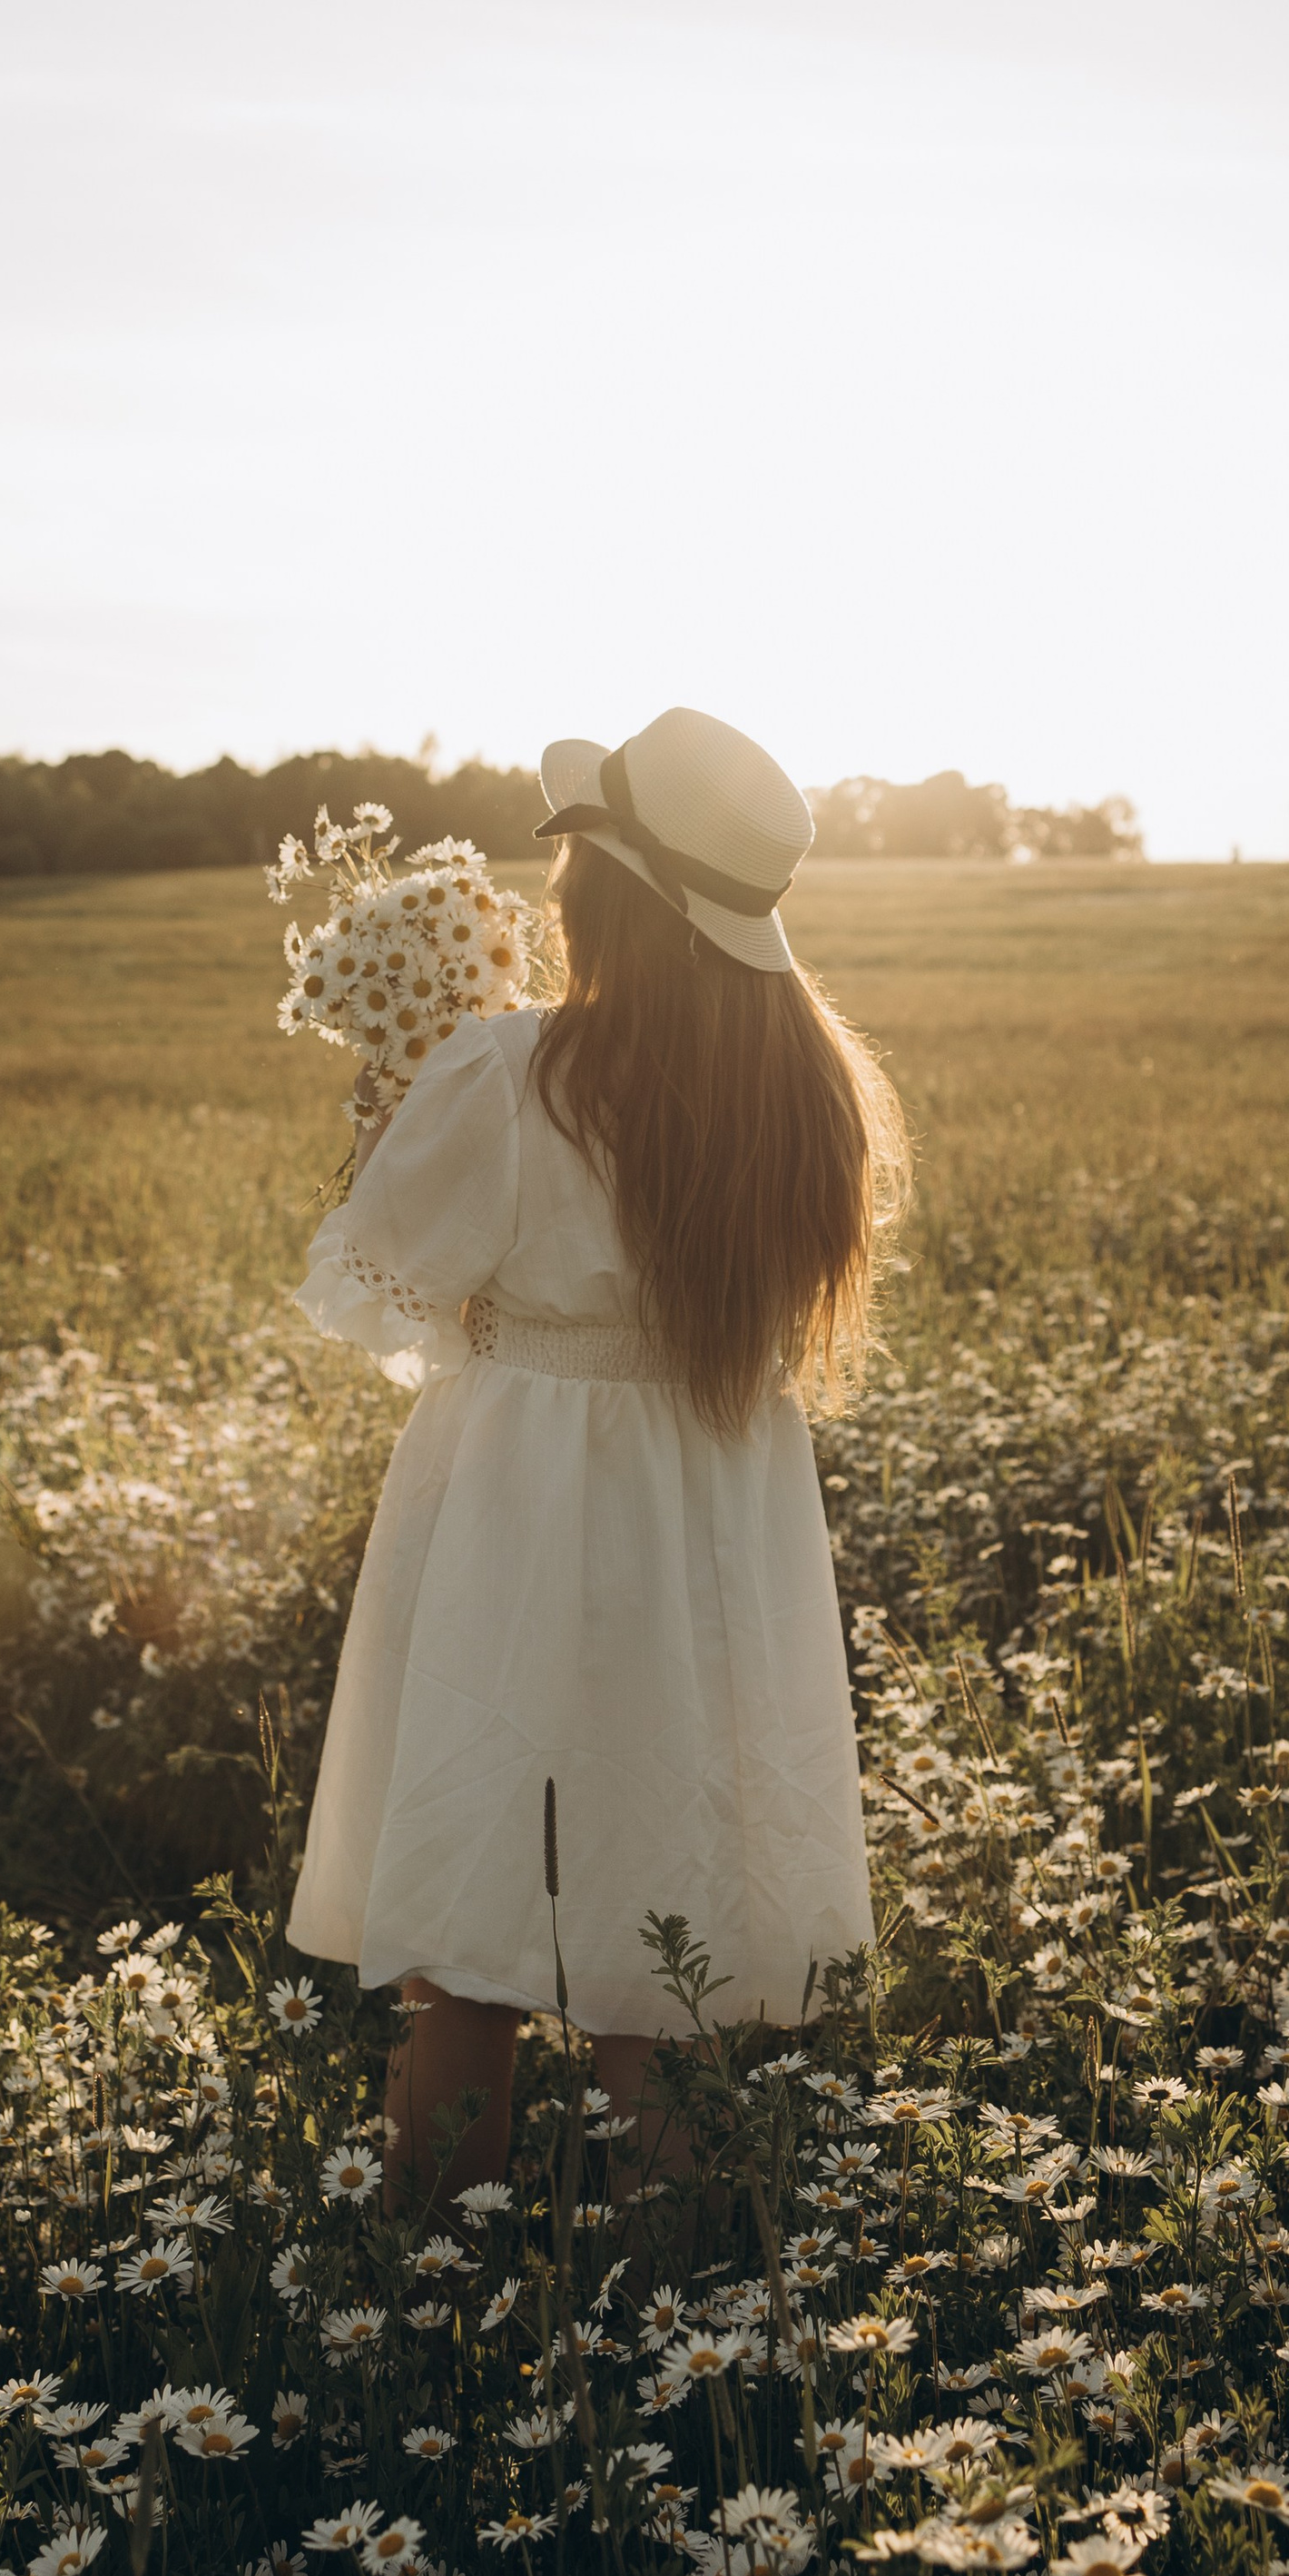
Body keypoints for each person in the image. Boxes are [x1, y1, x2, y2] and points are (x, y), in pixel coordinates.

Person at [286, 705, 910, 2204]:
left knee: (471, 1923)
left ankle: (436, 2274)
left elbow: (374, 1285)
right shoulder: (810, 1092)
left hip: (518, 1503)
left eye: (573, 871)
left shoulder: (511, 1073)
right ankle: (669, 2285)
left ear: (604, 898)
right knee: (665, 1915)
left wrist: (393, 1116)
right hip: (710, 1511)